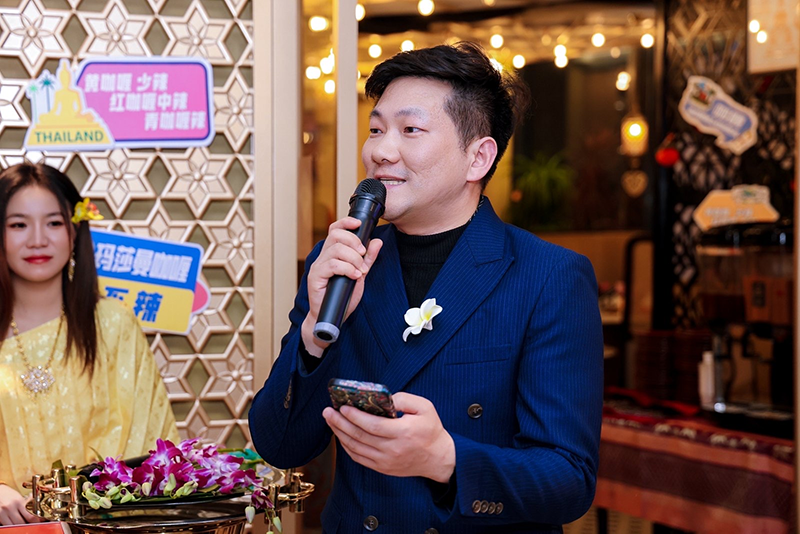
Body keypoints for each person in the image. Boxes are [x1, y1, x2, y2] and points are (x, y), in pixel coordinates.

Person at [250, 42, 603, 533]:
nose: (379, 151)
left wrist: (446, 459)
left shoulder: (548, 277)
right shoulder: (342, 261)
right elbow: (280, 445)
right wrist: (313, 332)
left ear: (478, 157)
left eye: (410, 130)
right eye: (376, 129)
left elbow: (569, 480)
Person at [0, 162, 178, 526]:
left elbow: (151, 445)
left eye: (53, 223)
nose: (37, 239)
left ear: (74, 230)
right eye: (19, 225)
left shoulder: (112, 325)